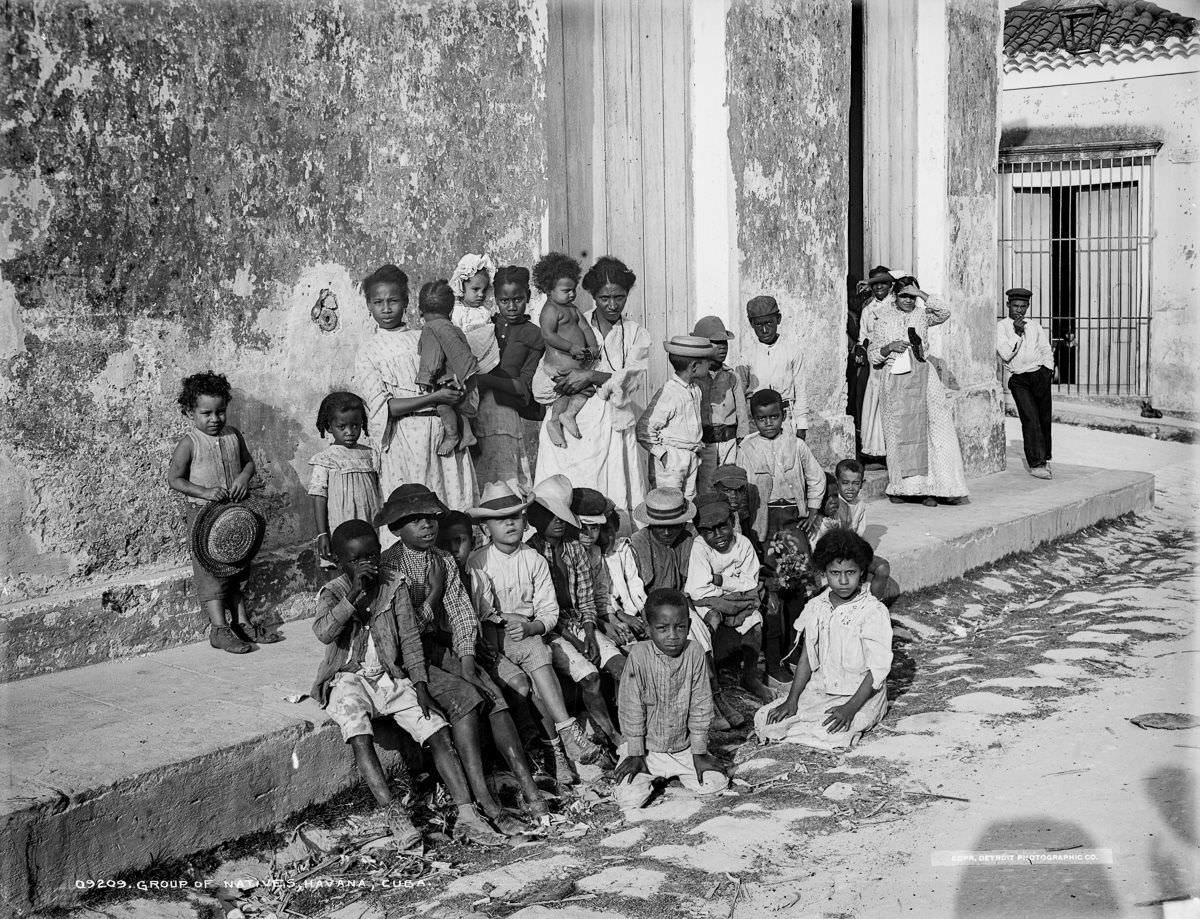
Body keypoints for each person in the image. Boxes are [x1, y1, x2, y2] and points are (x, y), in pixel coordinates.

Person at [310, 520, 504, 849]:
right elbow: (324, 632)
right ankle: (394, 815)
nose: (367, 565)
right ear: (342, 563)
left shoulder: (394, 585)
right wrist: (356, 593)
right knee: (358, 732)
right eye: (357, 561)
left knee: (437, 728)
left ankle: (468, 814)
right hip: (348, 676)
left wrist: (421, 685)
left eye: (372, 556)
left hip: (388, 676)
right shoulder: (335, 591)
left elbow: (411, 642)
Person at [379, 485, 541, 834]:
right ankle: (483, 798)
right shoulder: (389, 566)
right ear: (396, 529)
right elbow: (401, 631)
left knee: (491, 692)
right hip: (407, 657)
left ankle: (530, 790)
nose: (427, 525)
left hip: (439, 647)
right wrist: (433, 594)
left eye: (431, 518)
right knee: (465, 700)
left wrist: (468, 659)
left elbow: (463, 614)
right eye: (416, 520)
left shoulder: (443, 560)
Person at [465, 481, 603, 784]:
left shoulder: (534, 560)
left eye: (515, 516)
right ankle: (557, 741)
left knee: (537, 657)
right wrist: (508, 618)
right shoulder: (478, 561)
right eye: (500, 519)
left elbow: (549, 612)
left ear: (525, 520)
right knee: (526, 680)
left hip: (527, 635)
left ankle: (560, 744)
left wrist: (531, 626)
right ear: (486, 527)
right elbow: (479, 611)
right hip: (490, 640)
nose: (510, 523)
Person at [355, 264, 477, 546]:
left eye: (393, 301)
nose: (386, 309)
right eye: (378, 303)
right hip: (405, 440)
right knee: (414, 517)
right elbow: (385, 408)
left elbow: (457, 371)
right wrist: (434, 398)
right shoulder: (368, 351)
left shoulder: (426, 335)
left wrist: (453, 394)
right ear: (369, 306)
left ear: (407, 303)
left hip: (442, 431)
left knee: (450, 508)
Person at [607, 488, 744, 730]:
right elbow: (634, 594)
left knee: (700, 637)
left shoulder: (689, 540)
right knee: (687, 636)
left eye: (674, 525)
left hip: (683, 603)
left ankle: (715, 695)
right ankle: (705, 704)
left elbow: (694, 583)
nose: (668, 532)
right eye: (661, 526)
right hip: (653, 609)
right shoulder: (637, 545)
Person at [534, 256, 651, 525]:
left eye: (619, 297)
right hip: (572, 424)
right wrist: (566, 377)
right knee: (569, 497)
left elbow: (631, 380)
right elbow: (547, 372)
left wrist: (588, 375)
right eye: (603, 297)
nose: (612, 305)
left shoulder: (636, 334)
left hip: (613, 424)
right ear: (592, 295)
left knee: (612, 497)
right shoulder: (572, 322)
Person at [168, 370, 276, 653]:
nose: (215, 419)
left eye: (220, 412)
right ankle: (219, 629)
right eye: (206, 413)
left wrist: (242, 479)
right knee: (211, 574)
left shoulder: (233, 436)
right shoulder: (190, 443)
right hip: (205, 519)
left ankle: (242, 623)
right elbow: (174, 479)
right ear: (190, 411)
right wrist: (204, 492)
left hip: (235, 516)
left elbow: (248, 464)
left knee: (237, 568)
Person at [755, 529, 893, 750]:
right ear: (824, 573)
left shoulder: (872, 611)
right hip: (822, 688)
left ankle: (847, 718)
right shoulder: (816, 606)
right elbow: (807, 658)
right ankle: (808, 715)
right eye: (835, 573)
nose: (844, 580)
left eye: (851, 572)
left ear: (862, 572)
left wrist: (849, 708)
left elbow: (877, 669)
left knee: (833, 732)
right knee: (764, 718)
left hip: (859, 694)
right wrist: (792, 700)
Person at [526, 475, 624, 750]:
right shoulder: (531, 552)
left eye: (562, 515)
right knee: (590, 676)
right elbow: (541, 611)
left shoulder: (573, 549)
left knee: (621, 667)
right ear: (536, 517)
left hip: (578, 621)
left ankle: (629, 728)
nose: (558, 521)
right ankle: (613, 737)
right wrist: (576, 640)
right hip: (551, 631)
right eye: (551, 515)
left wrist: (591, 633)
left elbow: (586, 599)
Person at [613, 588, 729, 810]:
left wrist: (699, 753)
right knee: (629, 799)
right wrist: (636, 753)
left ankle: (675, 773)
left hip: (683, 748)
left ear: (689, 625)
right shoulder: (639, 655)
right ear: (648, 629)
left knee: (716, 785)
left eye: (680, 627)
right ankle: (648, 774)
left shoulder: (694, 652)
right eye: (662, 628)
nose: (673, 635)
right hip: (646, 750)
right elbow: (631, 707)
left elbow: (701, 705)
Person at [866, 279, 969, 506]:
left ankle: (933, 488)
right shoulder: (882, 318)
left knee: (933, 430)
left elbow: (944, 312)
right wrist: (889, 347)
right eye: (904, 295)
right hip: (895, 378)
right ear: (895, 295)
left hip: (923, 376)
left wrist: (921, 293)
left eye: (911, 297)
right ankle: (902, 488)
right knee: (898, 433)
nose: (908, 301)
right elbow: (872, 354)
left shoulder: (923, 315)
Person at [684, 495, 770, 703]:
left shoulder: (743, 544)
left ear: (732, 522)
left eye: (722, 527)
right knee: (710, 621)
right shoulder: (700, 547)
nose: (717, 535)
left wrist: (719, 579)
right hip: (708, 603)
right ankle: (712, 680)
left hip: (736, 599)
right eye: (708, 531)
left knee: (754, 621)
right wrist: (732, 586)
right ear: (699, 531)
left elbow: (750, 582)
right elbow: (699, 590)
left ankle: (749, 677)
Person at [474, 265, 545, 488]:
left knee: (505, 482)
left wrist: (485, 381)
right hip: (474, 411)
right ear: (495, 299)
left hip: (505, 415)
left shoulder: (533, 334)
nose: (512, 306)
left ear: (528, 297)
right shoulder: (484, 326)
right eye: (505, 301)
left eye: (518, 299)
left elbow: (524, 387)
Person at [737, 389, 826, 545]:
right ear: (753, 420)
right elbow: (741, 490)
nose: (768, 423)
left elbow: (816, 477)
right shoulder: (746, 449)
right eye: (762, 418)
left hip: (794, 514)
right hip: (762, 517)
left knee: (800, 560)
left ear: (783, 416)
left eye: (774, 416)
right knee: (767, 560)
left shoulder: (797, 444)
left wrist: (812, 511)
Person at [531, 252, 600, 447]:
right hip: (558, 364)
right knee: (568, 392)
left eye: (573, 290)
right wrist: (571, 347)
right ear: (548, 289)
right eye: (566, 290)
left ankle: (565, 416)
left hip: (575, 365)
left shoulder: (573, 309)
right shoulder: (550, 310)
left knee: (578, 391)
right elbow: (548, 335)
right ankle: (557, 419)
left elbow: (585, 327)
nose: (571, 294)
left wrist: (592, 346)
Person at [635, 335, 715, 500]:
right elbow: (644, 428)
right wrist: (663, 455)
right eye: (707, 361)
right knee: (668, 504)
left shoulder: (695, 390)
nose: (710, 364)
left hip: (691, 456)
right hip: (672, 460)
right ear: (694, 366)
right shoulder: (669, 393)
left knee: (688, 505)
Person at [309, 392, 382, 569]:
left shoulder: (370, 454)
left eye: (356, 425)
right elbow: (319, 497)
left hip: (369, 521)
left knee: (372, 563)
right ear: (329, 427)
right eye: (342, 427)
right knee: (345, 564)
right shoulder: (325, 459)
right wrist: (322, 534)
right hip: (342, 522)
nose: (350, 432)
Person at [414, 279, 479, 457]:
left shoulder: (430, 329)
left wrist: (425, 379)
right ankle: (468, 434)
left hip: (449, 381)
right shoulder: (453, 328)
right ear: (450, 311)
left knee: (443, 406)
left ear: (420, 310)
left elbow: (432, 359)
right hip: (464, 378)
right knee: (459, 407)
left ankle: (452, 436)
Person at [996, 287, 1054, 480]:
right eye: (1015, 306)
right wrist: (1017, 333)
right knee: (1030, 418)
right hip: (1019, 378)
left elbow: (1046, 349)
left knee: (1043, 418)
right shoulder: (1002, 327)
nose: (1019, 310)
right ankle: (1036, 465)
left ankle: (1044, 458)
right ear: (1008, 306)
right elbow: (1005, 353)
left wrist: (1048, 370)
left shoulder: (1035, 326)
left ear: (1027, 306)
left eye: (1022, 306)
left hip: (1039, 374)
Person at [734, 295, 809, 438]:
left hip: (785, 420)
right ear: (751, 323)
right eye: (758, 325)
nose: (764, 330)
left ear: (778, 319)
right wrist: (743, 431)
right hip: (756, 422)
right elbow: (740, 395)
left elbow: (800, 390)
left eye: (769, 323)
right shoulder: (745, 356)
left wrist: (802, 424)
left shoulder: (792, 351)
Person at [692, 316, 750, 494]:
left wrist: (743, 442)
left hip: (729, 444)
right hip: (705, 445)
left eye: (725, 342)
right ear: (702, 345)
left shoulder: (732, 376)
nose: (723, 347)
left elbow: (741, 413)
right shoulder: (694, 378)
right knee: (706, 488)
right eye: (716, 343)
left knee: (730, 486)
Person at [856, 266, 895, 461]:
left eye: (883, 283)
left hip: (891, 358)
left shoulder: (896, 305)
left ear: (890, 285)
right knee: (873, 402)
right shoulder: (867, 309)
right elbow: (862, 336)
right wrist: (860, 349)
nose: (879, 287)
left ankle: (892, 449)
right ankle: (874, 449)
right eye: (875, 284)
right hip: (874, 361)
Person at [710, 463, 763, 556]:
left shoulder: (738, 516)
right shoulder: (709, 521)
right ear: (714, 489)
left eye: (739, 490)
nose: (734, 495)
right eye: (727, 490)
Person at [450, 253, 498, 333]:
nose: (481, 294)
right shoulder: (454, 312)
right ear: (461, 286)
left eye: (484, 290)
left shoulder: (484, 313)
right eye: (475, 289)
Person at [834, 458, 867, 536]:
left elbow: (859, 533)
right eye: (845, 483)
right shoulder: (833, 503)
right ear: (837, 482)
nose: (850, 488)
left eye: (856, 483)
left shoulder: (860, 506)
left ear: (862, 484)